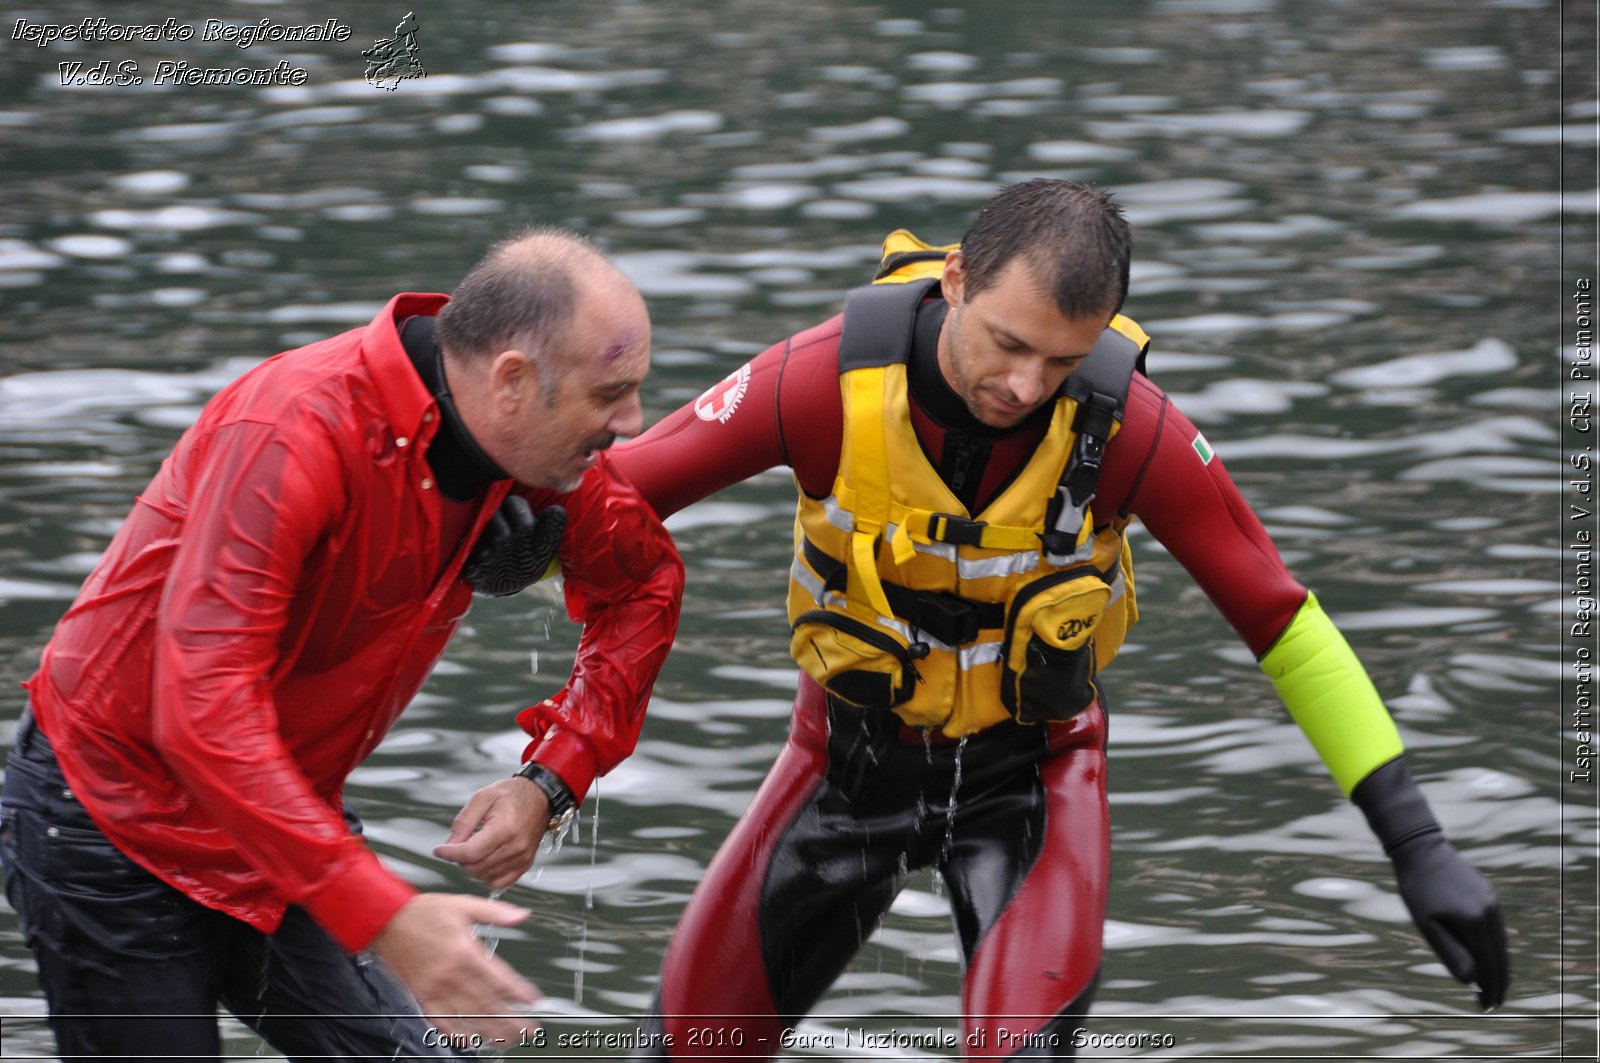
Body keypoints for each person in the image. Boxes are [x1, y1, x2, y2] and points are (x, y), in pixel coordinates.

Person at [609, 180, 1509, 1059]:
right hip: (842, 772)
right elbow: (611, 491)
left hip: (1030, 785)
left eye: (1062, 363)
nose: (1025, 384)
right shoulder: (817, 384)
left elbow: (1285, 625)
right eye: (1008, 344)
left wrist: (1416, 841)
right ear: (956, 278)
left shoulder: (1133, 430)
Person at [1, 228, 685, 1058]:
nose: (633, 421)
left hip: (280, 816)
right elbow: (200, 712)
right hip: (109, 821)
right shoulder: (295, 430)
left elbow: (642, 585)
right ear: (512, 379)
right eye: (611, 393)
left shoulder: (538, 454)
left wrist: (551, 778)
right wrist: (388, 917)